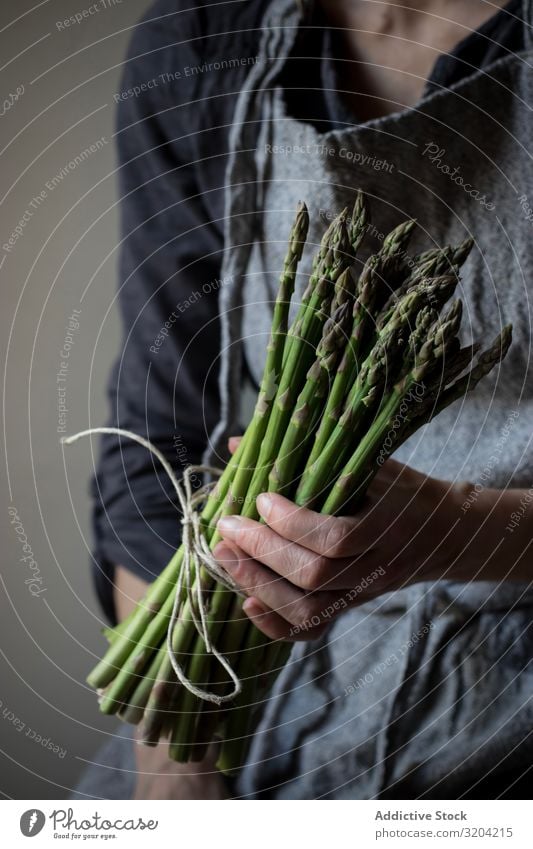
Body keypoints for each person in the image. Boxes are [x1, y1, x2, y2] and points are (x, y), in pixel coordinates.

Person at [79, 0, 533, 800]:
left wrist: (462, 530)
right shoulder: (202, 32)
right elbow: (159, 432)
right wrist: (179, 764)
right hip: (224, 692)